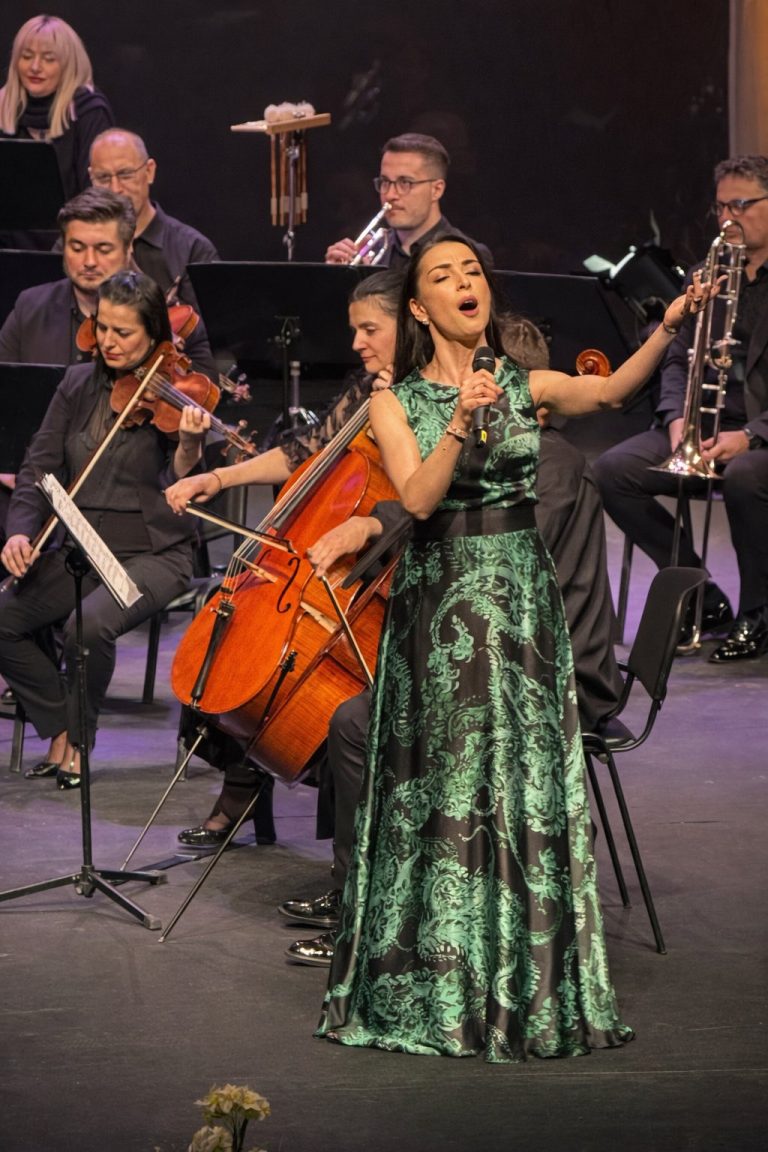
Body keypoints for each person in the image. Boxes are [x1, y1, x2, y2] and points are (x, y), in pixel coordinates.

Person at [314, 234, 710, 1061]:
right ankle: (441, 981)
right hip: (442, 603)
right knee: (445, 785)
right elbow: (419, 499)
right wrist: (460, 424)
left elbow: (610, 390)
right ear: (420, 307)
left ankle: (520, 981)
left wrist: (670, 325)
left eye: (473, 272)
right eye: (444, 275)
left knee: (516, 785)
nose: (466, 282)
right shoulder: (394, 402)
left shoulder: (525, 385)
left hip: (521, 602)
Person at [283, 321, 626, 967]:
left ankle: (366, 916)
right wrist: (373, 521)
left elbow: (475, 547)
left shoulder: (546, 468)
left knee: (359, 722)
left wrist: (383, 524)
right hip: (504, 654)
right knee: (369, 703)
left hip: (552, 673)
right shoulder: (522, 456)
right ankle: (379, 892)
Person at [162, 269, 405, 847]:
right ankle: (241, 786)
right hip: (329, 560)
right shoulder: (366, 388)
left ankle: (354, 846)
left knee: (303, 675)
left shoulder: (432, 395)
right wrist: (219, 478)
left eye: (370, 329)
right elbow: (303, 454)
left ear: (410, 323)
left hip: (389, 566)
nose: (356, 343)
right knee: (234, 620)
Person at [0, 270, 207, 788]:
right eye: (103, 328)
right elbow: (38, 466)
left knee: (86, 626)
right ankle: (60, 727)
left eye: (124, 332)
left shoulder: (174, 394)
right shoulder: (77, 383)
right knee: (3, 618)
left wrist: (188, 446)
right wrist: (20, 532)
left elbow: (185, 482)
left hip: (153, 553)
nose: (109, 342)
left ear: (154, 335)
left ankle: (79, 740)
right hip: (83, 548)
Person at [593, 155, 768, 663]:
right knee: (613, 470)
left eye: (741, 205)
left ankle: (757, 612)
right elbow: (676, 359)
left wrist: (751, 436)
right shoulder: (705, 274)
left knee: (747, 477)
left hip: (758, 437)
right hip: (703, 426)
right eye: (721, 208)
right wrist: (675, 420)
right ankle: (701, 595)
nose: (728, 219)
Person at [0, 186, 217, 378]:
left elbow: (203, 394)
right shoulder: (29, 307)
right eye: (77, 248)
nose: (89, 261)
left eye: (103, 249)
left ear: (128, 247)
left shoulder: (172, 320)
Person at [88, 129, 219, 310]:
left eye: (125, 174)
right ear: (91, 178)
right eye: (103, 178)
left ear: (149, 171)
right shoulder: (74, 246)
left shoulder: (193, 250)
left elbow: (211, 325)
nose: (115, 189)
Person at [324, 133, 490, 268]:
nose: (390, 195)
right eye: (385, 182)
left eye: (405, 183)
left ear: (436, 190)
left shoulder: (469, 255)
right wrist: (337, 279)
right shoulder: (370, 251)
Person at [0, 15, 114, 206]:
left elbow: (97, 195)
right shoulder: (3, 105)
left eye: (49, 59)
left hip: (75, 222)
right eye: (26, 57)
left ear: (68, 66)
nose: (35, 67)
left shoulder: (88, 110)